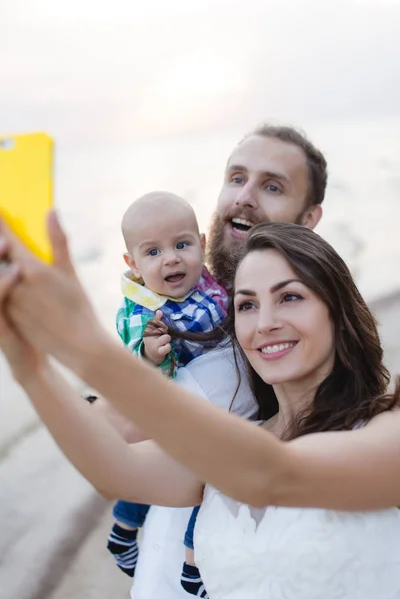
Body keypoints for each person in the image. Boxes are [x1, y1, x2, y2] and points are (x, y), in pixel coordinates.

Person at [7, 123, 329, 599]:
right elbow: (116, 444)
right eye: (236, 177)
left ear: (309, 218)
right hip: (168, 531)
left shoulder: (300, 327)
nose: (244, 196)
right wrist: (33, 359)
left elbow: (127, 440)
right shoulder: (192, 295)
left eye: (272, 186)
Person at [1, 219, 400, 599]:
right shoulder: (239, 443)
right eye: (246, 305)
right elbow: (113, 469)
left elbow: (273, 475)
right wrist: (29, 365)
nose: (264, 323)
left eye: (290, 297)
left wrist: (88, 347)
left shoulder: (387, 430)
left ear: (339, 310)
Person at [105, 191, 227, 591]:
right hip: (177, 412)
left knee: (206, 476)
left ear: (202, 245)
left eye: (181, 244)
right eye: (153, 252)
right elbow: (130, 364)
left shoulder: (209, 286)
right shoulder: (144, 310)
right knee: (205, 478)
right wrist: (151, 356)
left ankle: (126, 531)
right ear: (134, 265)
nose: (171, 258)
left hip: (210, 405)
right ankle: (187, 563)